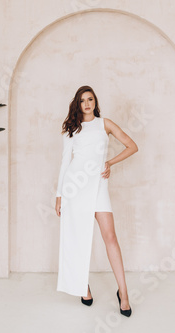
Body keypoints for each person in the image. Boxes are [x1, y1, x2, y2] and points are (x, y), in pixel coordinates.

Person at [55, 85, 138, 317]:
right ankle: (83, 286)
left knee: (110, 237)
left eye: (90, 99)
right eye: (82, 101)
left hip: (98, 187)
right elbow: (64, 163)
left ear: (95, 102)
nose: (87, 104)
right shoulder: (71, 129)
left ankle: (124, 293)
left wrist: (109, 163)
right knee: (77, 239)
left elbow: (132, 146)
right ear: (77, 104)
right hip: (74, 187)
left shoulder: (105, 124)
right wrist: (59, 195)